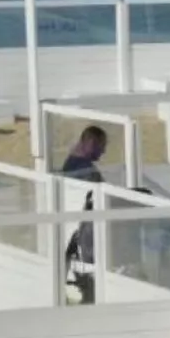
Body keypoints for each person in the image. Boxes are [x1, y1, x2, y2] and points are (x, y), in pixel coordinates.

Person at [61, 126, 108, 303]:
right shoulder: (86, 171)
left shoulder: (71, 165)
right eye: (101, 146)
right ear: (90, 143)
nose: (103, 152)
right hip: (85, 232)